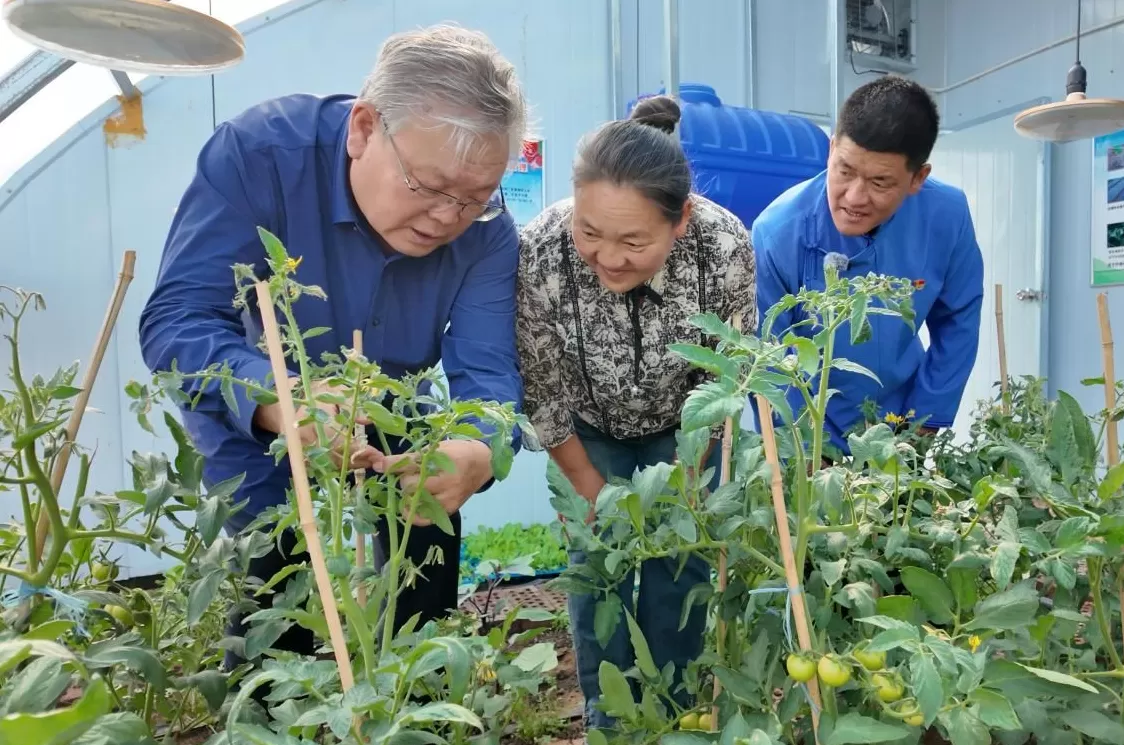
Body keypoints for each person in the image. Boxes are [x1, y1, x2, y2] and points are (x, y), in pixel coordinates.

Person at [138, 25, 528, 669]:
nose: (447, 216)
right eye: (428, 186)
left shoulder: (487, 231)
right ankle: (265, 705)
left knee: (424, 541)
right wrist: (279, 399)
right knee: (274, 575)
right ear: (364, 129)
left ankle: (413, 702)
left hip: (391, 400)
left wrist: (480, 447)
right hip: (260, 396)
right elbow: (178, 321)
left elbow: (488, 372)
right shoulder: (261, 156)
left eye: (474, 197)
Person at [515, 95, 757, 729]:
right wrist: (587, 486)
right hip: (587, 432)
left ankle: (676, 717)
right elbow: (541, 386)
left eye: (633, 241)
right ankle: (611, 725)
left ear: (680, 221)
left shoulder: (722, 245)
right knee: (598, 571)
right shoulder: (541, 248)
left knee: (680, 566)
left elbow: (726, 374)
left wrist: (687, 476)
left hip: (685, 430)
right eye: (590, 233)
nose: (608, 257)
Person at [752, 75, 984, 456]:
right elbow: (770, 361)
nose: (854, 197)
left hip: (899, 422)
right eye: (844, 170)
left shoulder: (947, 216)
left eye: (879, 182)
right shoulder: (777, 232)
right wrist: (807, 453)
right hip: (809, 427)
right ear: (831, 149)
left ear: (918, 178)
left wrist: (920, 425)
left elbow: (958, 323)